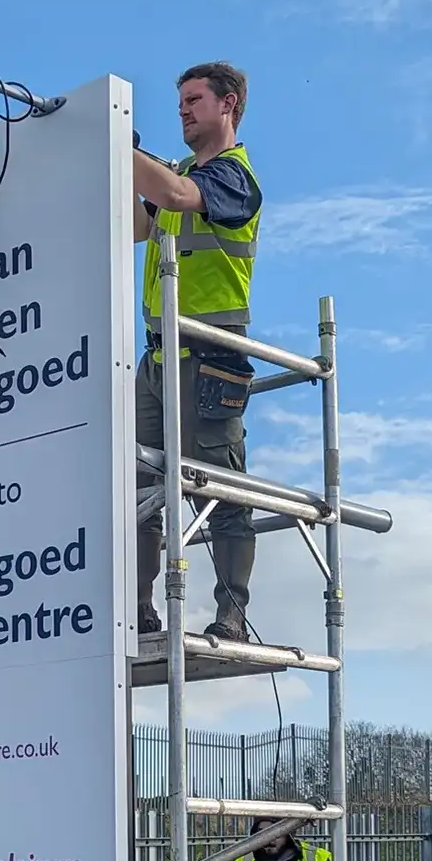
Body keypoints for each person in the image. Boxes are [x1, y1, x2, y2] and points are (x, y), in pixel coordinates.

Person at [133, 61, 263, 643]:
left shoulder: (233, 178)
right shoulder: (179, 173)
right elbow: (136, 219)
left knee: (220, 491)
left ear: (228, 104)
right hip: (158, 357)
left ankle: (232, 615)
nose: (182, 109)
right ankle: (135, 609)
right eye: (180, 101)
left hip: (209, 357)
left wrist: (115, 146)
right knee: (138, 486)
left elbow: (178, 195)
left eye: (194, 100)